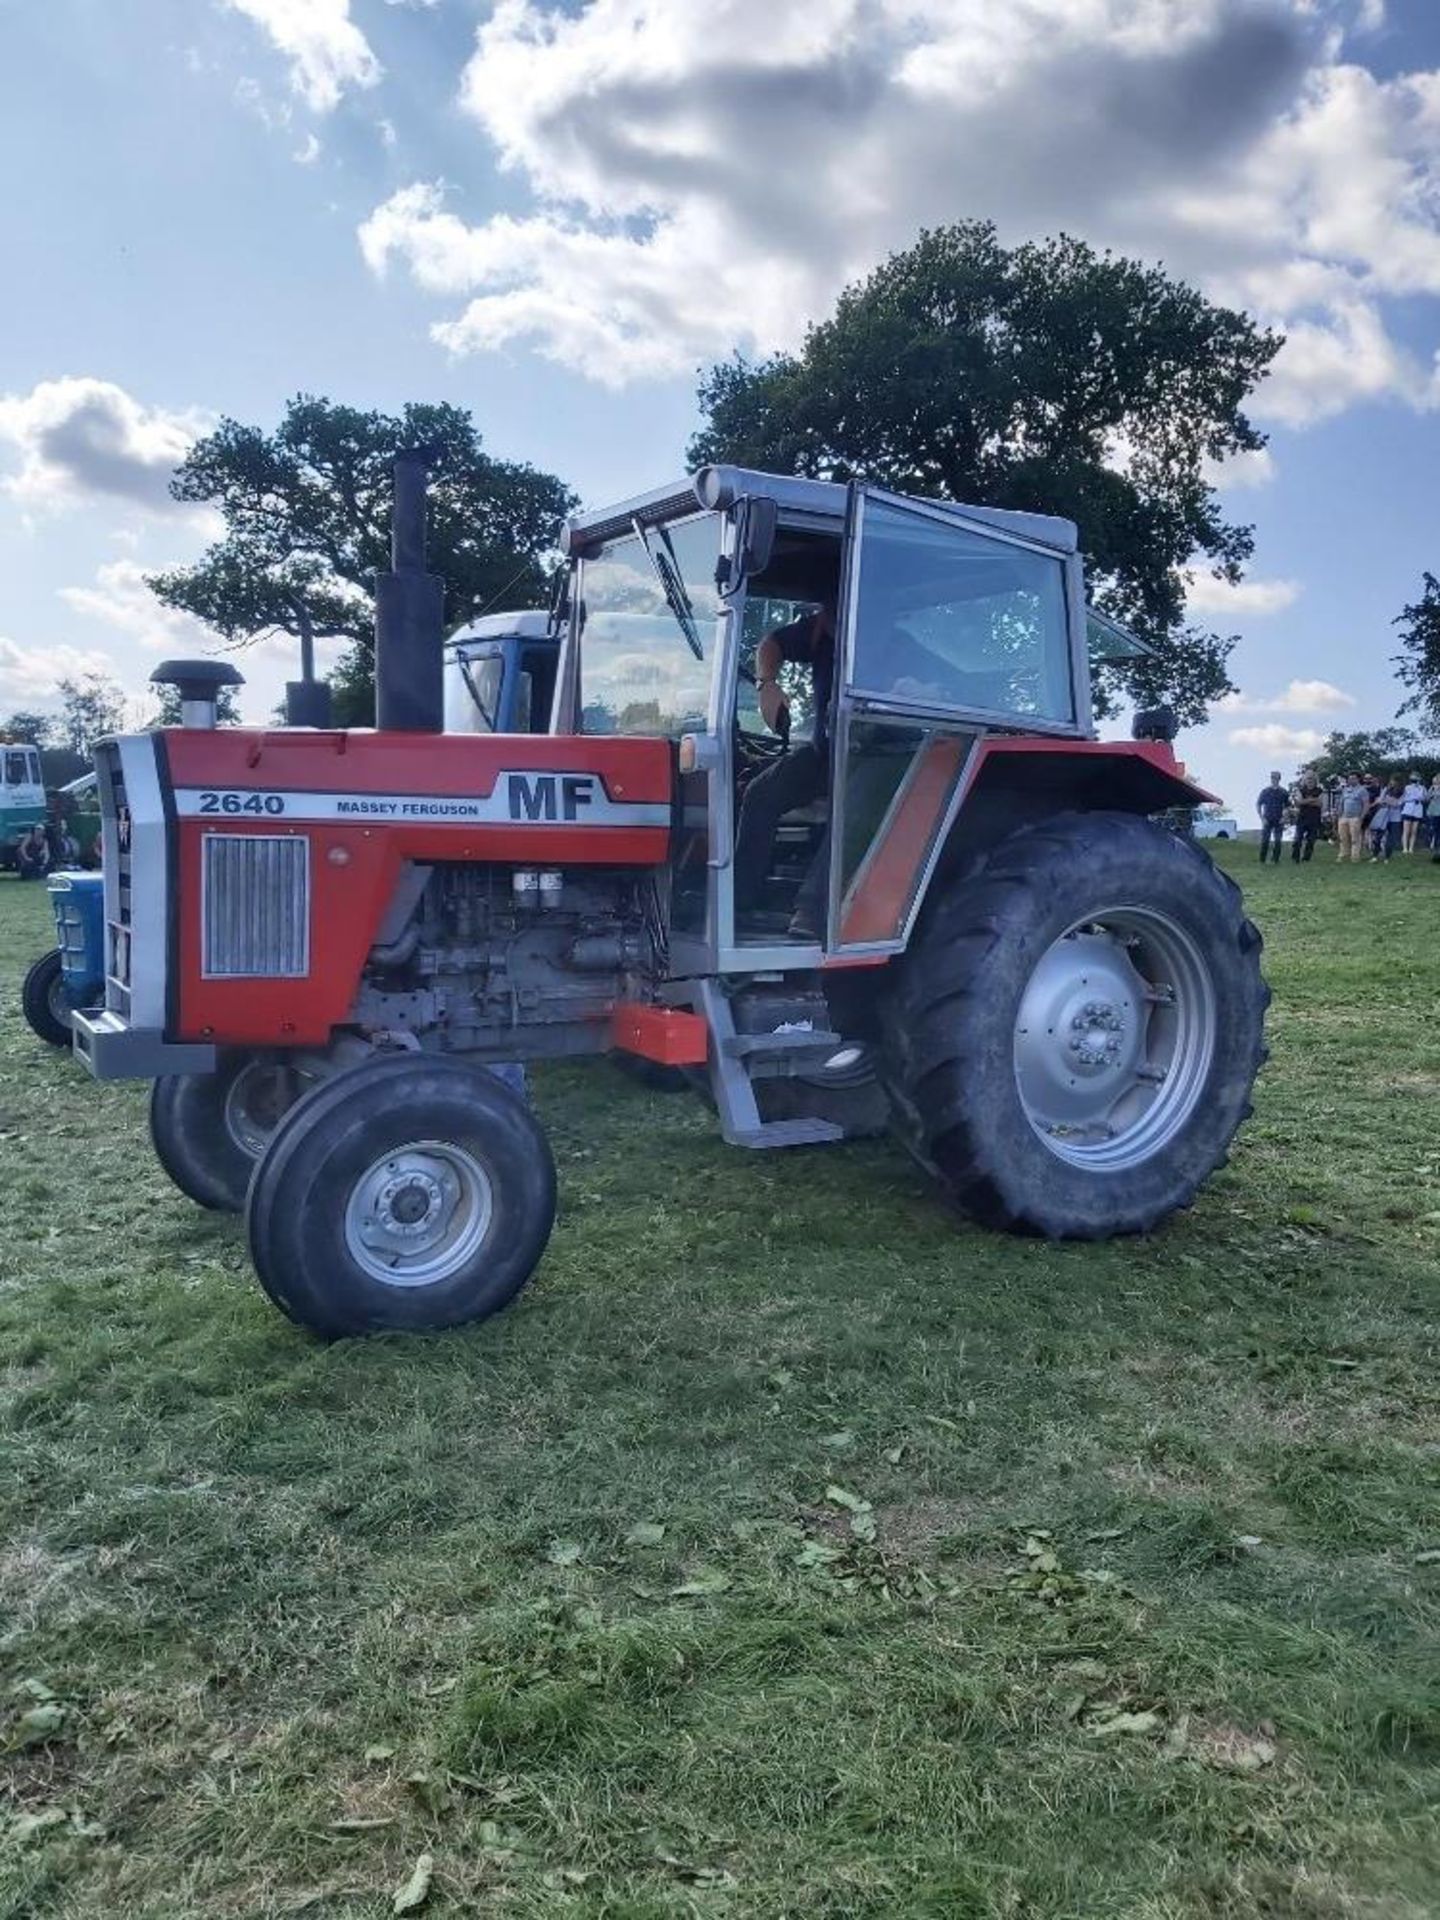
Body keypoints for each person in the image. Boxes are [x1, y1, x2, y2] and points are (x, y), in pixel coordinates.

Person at [734, 597, 836, 939]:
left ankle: (813, 911)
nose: (821, 620)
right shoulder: (823, 632)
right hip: (825, 752)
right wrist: (767, 684)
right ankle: (740, 899)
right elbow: (772, 644)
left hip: (873, 752)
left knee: (849, 809)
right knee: (760, 792)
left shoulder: (892, 644)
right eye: (826, 612)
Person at [1334, 771, 1368, 862]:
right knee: (1343, 837)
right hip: (1344, 817)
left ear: (1358, 779)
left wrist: (1362, 817)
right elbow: (1342, 803)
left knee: (1355, 838)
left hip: (1355, 817)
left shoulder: (1362, 790)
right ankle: (1344, 854)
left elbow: (1365, 804)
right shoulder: (1345, 790)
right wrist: (1339, 815)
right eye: (1350, 778)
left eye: (1353, 778)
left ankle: (1355, 856)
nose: (1351, 780)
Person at [1291, 773, 1323, 862]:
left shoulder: (1319, 791)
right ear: (1305, 780)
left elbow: (1320, 804)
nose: (1310, 781)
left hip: (1314, 818)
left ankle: (1306, 858)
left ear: (1315, 780)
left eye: (1312, 779)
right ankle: (1295, 857)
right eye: (1308, 779)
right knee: (1298, 838)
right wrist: (1313, 799)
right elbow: (1299, 802)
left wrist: (1306, 801)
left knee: (1311, 840)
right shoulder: (1301, 790)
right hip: (1302, 818)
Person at [1256, 771, 1286, 863]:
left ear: (1279, 779)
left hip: (1279, 819)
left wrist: (1284, 817)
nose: (1274, 779)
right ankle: (1262, 860)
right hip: (1267, 819)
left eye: (1276, 778)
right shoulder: (1265, 792)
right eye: (1272, 777)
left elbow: (1287, 806)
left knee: (1278, 841)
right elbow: (1258, 804)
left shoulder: (1283, 792)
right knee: (1265, 841)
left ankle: (1275, 859)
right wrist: (1262, 818)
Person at [1401, 770, 1427, 854]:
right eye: (1413, 776)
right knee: (1406, 830)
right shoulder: (1407, 787)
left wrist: (1421, 796)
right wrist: (1412, 798)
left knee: (1414, 830)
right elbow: (1403, 798)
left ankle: (1411, 848)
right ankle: (1405, 848)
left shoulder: (1422, 788)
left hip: (1418, 809)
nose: (1414, 778)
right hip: (1408, 808)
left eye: (1416, 776)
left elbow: (1425, 798)